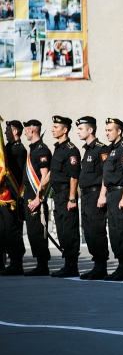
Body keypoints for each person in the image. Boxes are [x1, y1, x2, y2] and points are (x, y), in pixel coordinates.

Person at [44, 116, 81, 278]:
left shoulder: (71, 150)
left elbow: (74, 176)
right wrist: (41, 189)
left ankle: (72, 265)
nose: (52, 129)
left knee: (69, 230)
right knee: (61, 230)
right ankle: (67, 263)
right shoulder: (58, 148)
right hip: (57, 194)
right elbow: (52, 173)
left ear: (65, 130)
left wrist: (72, 198)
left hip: (66, 193)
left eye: (56, 127)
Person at [98, 118, 123, 281]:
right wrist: (102, 195)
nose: (107, 133)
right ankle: (120, 264)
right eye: (106, 130)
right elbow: (106, 176)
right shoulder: (109, 150)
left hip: (120, 193)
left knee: (122, 231)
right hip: (110, 194)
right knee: (113, 232)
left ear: (119, 131)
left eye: (110, 130)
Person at [75, 117, 110, 280]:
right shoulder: (88, 149)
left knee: (96, 230)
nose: (78, 131)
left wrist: (102, 195)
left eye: (81, 128)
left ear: (90, 130)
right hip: (87, 195)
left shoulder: (100, 149)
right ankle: (96, 263)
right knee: (88, 231)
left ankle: (101, 266)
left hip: (96, 194)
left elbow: (106, 174)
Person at [20, 120, 52, 276]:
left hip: (36, 195)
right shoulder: (33, 149)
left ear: (32, 130)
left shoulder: (41, 150)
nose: (24, 132)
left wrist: (38, 198)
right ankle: (40, 263)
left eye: (26, 129)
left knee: (38, 231)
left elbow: (45, 178)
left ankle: (42, 265)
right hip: (29, 195)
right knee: (32, 232)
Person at [0, 120, 26, 276]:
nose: (5, 133)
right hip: (4, 196)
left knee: (13, 231)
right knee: (3, 231)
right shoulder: (8, 149)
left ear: (15, 132)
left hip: (12, 196)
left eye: (8, 130)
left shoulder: (18, 150)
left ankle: (16, 263)